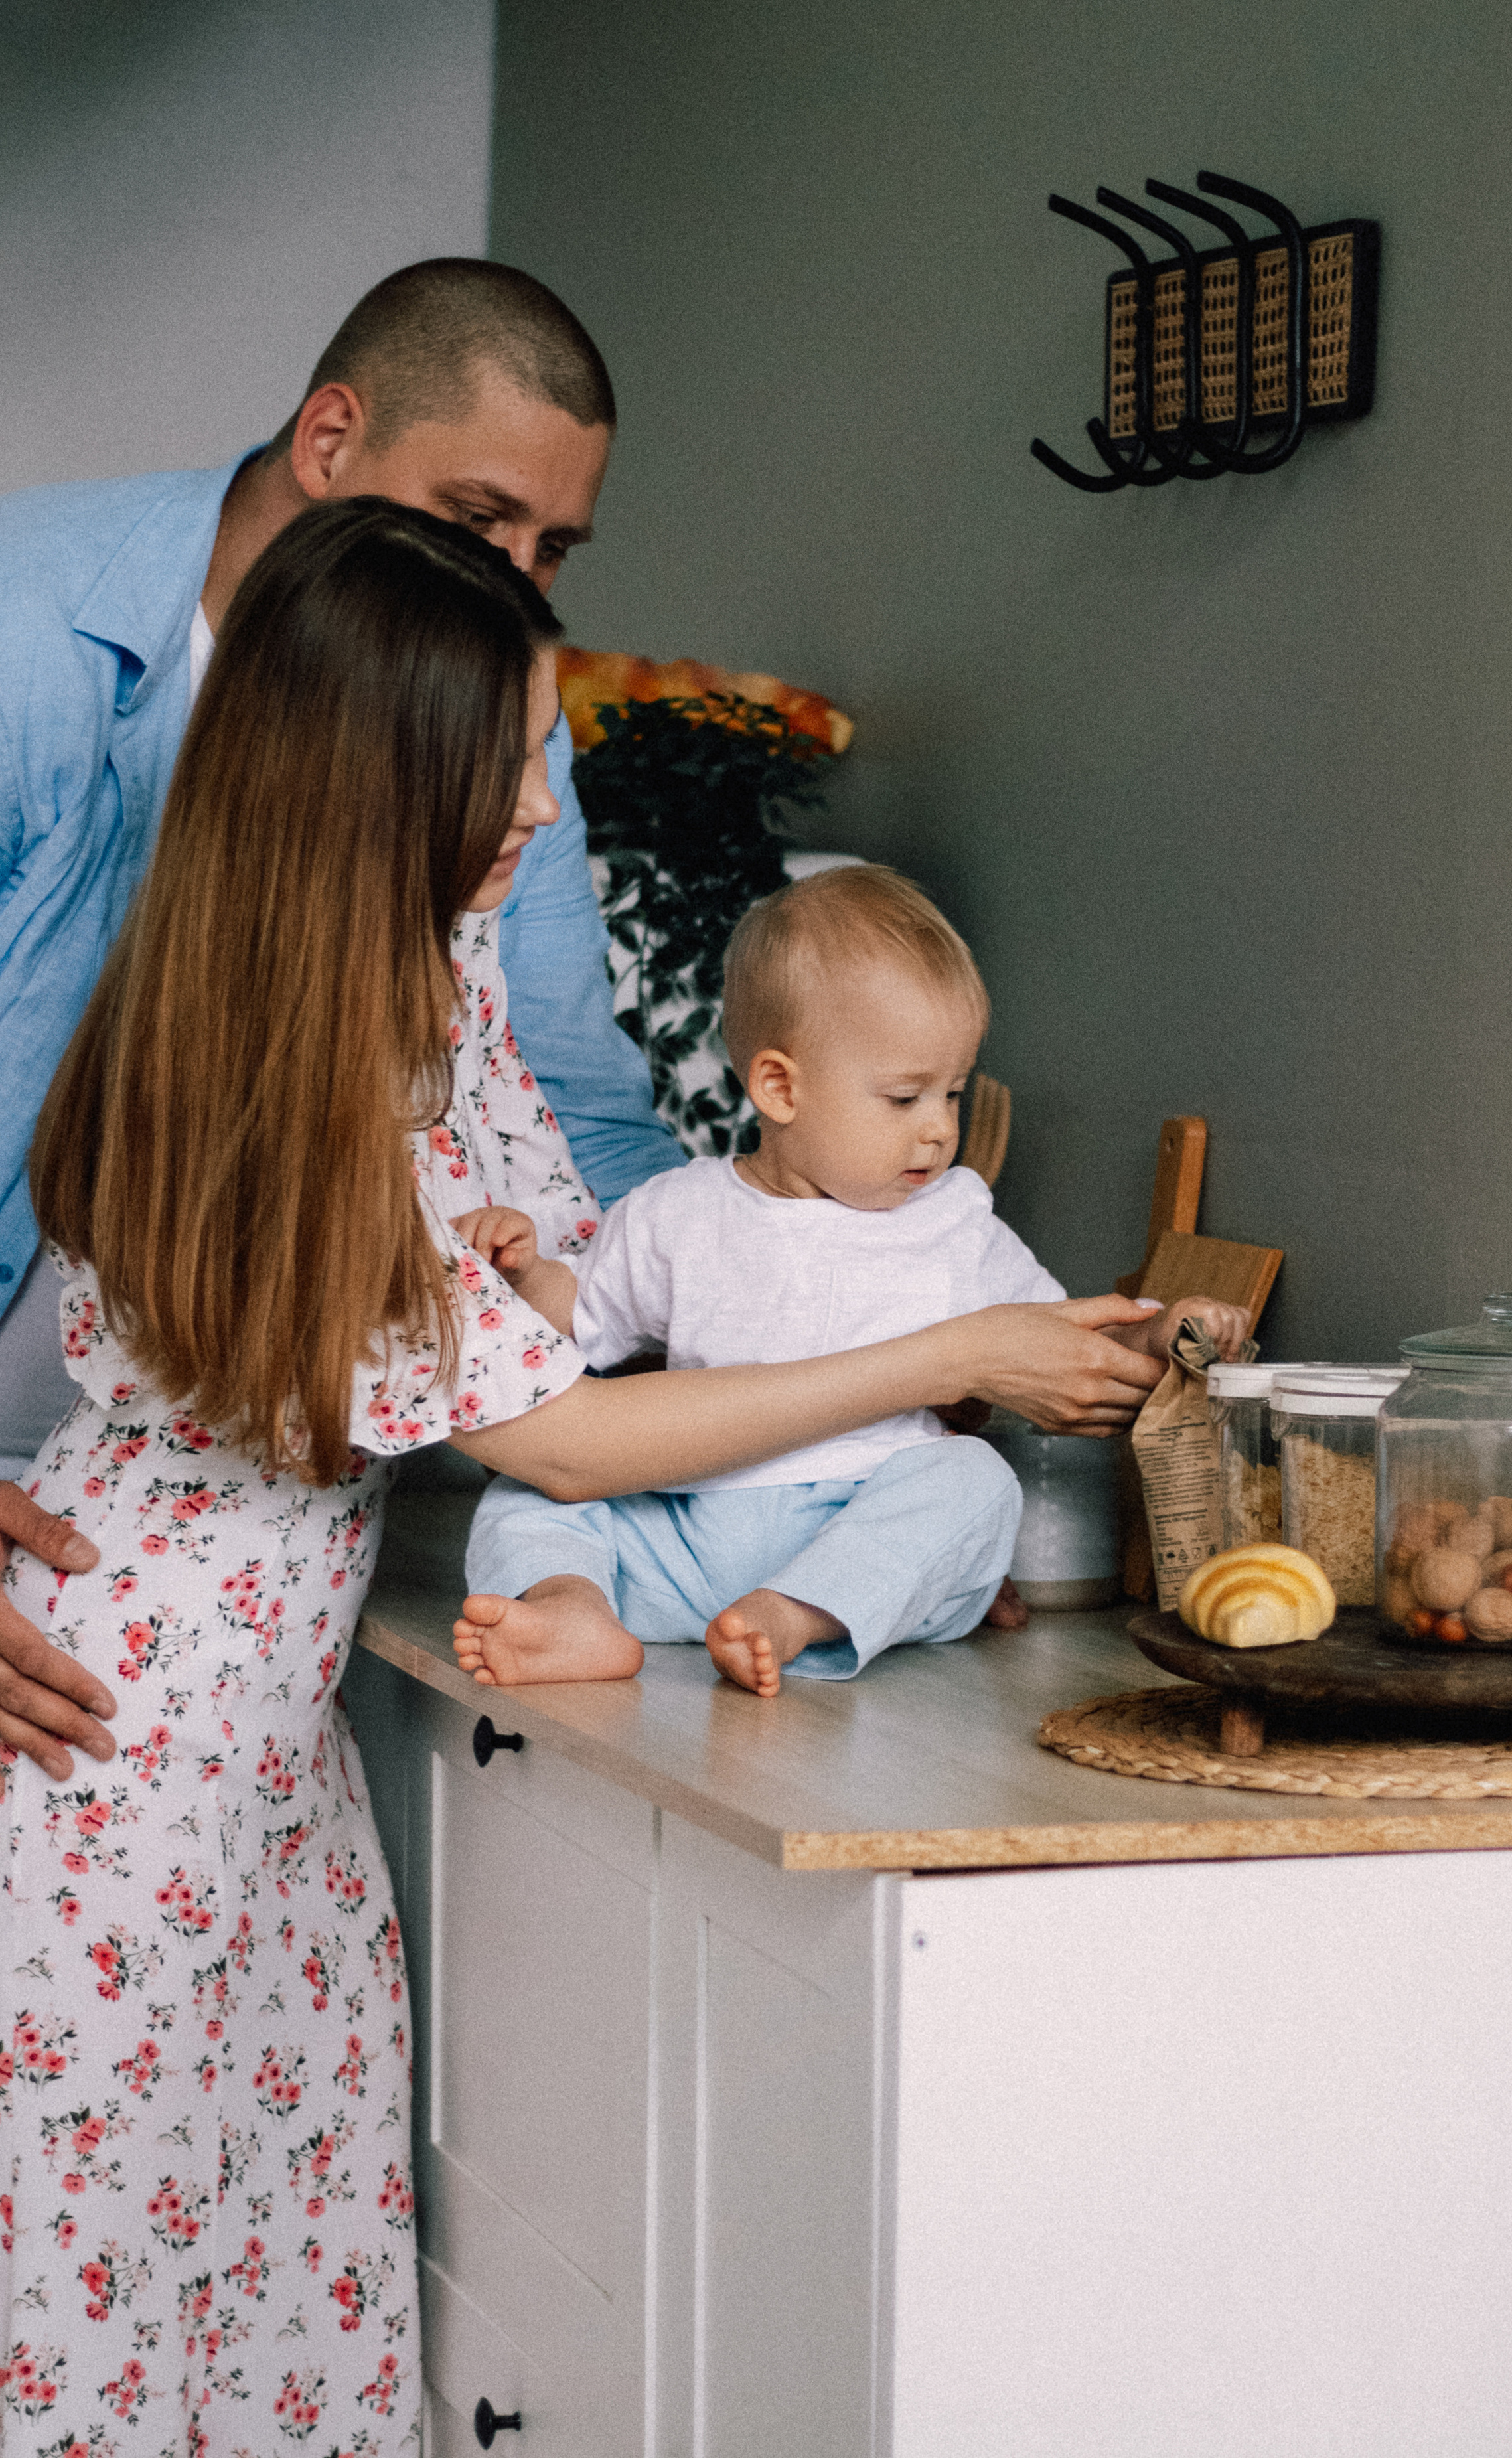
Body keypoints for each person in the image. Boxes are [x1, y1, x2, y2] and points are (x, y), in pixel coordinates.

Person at [2, 498, 1166, 2451]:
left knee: (255, 2297)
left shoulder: (370, 1013)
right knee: (103, 2322)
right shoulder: (280, 1089)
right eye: (502, 767)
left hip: (243, 1758)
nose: (542, 813)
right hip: (121, 1760)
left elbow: (544, 1292)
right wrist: (954, 1349)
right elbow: (545, 1427)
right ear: (372, 787)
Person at [0, 256, 684, 1769]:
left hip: (224, 1491)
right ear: (329, 443)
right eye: (479, 519)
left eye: (553, 546)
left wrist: (748, 1294)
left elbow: (571, 1077)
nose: (517, 578)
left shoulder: (491, 736)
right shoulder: (21, 631)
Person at [451, 866, 1250, 1697]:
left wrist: (1160, 1333)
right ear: (780, 1087)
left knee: (974, 1483)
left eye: (952, 1092)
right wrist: (525, 1269)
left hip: (863, 1530)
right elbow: (574, 1325)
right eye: (904, 1097)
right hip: (685, 1536)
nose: (940, 1128)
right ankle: (572, 1607)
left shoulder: (956, 1219)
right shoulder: (678, 1211)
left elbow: (1067, 1343)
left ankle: (798, 1614)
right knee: (530, 1487)